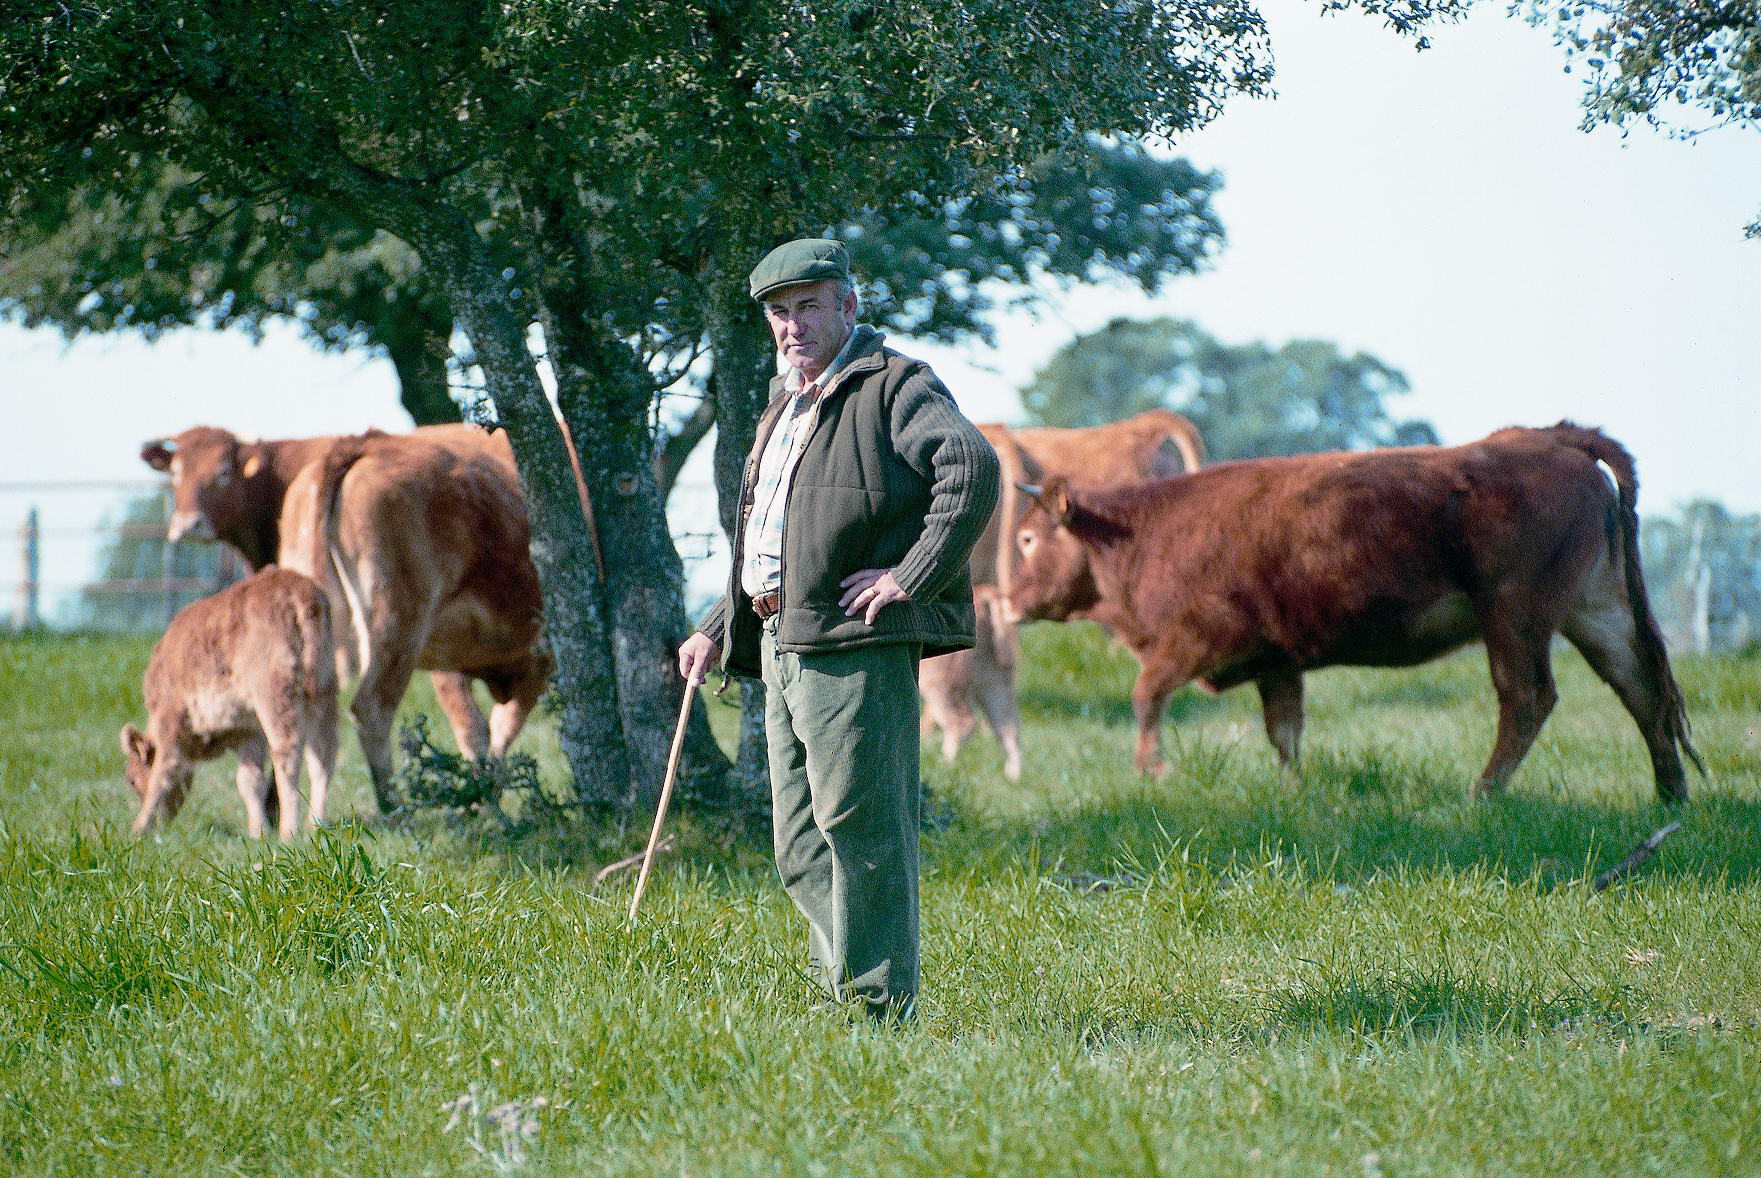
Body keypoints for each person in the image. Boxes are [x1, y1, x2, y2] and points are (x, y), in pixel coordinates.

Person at [678, 238, 999, 1022]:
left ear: (848, 306)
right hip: (782, 640)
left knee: (862, 832)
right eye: (779, 313)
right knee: (799, 845)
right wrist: (718, 624)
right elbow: (774, 535)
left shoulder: (895, 383)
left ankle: (878, 1011)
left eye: (808, 307)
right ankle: (849, 992)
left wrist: (906, 577)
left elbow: (972, 468)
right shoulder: (784, 402)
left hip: (854, 643)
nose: (792, 325)